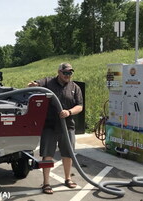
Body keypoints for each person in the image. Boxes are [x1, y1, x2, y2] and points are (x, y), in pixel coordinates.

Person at [28, 63, 84, 194]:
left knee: (68, 154)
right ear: (59, 72)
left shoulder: (75, 87)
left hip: (67, 126)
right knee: (47, 154)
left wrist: (69, 112)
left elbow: (80, 106)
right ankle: (46, 183)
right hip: (50, 126)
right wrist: (35, 85)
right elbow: (38, 84)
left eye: (70, 73)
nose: (67, 75)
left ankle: (68, 178)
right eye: (65, 73)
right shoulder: (49, 82)